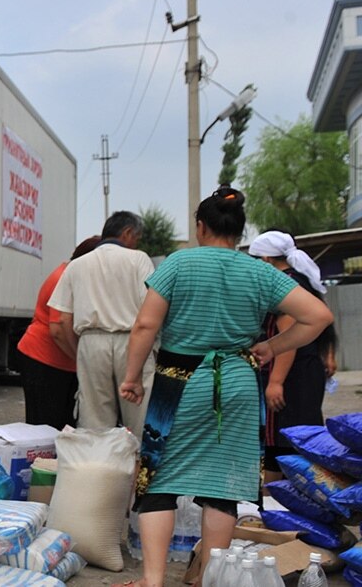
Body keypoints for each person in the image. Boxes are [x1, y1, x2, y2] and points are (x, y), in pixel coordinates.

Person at [117, 187, 333, 587]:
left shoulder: (178, 264)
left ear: (201, 226)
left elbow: (146, 325)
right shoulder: (259, 270)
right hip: (236, 382)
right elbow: (318, 315)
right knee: (222, 486)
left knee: (160, 481)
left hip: (177, 383)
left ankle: (152, 580)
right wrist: (271, 346)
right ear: (239, 231)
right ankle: (209, 578)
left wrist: (131, 377)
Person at [48, 211, 156, 437]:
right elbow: (149, 308)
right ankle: (138, 469)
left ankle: (98, 470)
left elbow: (63, 319)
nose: (136, 243)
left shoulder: (76, 265)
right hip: (132, 340)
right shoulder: (139, 259)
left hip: (91, 342)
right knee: (139, 418)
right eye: (136, 237)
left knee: (94, 424)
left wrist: (79, 351)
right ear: (127, 233)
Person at [248, 230, 339, 483]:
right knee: (302, 435)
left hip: (290, 374)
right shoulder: (302, 280)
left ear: (266, 259)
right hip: (307, 369)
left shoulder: (283, 286)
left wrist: (275, 382)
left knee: (283, 438)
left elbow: (287, 338)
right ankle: (303, 489)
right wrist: (329, 356)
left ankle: (281, 491)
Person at [16, 236, 101, 430]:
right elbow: (59, 329)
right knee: (45, 427)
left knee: (64, 425)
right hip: (44, 360)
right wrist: (81, 360)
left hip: (62, 363)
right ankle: (42, 461)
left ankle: (56, 460)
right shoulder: (64, 277)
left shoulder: (73, 274)